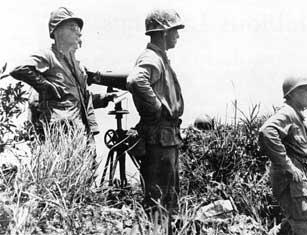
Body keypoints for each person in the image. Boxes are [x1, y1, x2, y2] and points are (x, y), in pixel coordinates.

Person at [126, 8, 185, 217]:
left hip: (166, 139)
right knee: (158, 203)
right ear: (164, 32)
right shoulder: (152, 58)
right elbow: (135, 80)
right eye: (175, 30)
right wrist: (157, 107)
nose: (178, 35)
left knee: (167, 201)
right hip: (160, 140)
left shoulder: (159, 58)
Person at [10, 7, 104, 136]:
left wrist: (103, 101)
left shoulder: (78, 67)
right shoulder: (48, 55)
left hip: (80, 131)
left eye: (79, 29)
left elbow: (81, 97)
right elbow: (19, 69)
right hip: (58, 130)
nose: (79, 33)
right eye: (73, 28)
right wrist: (45, 86)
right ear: (58, 31)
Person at [258, 77, 307, 235]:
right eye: (305, 89)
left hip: (301, 184)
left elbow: (302, 150)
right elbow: (267, 132)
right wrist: (289, 167)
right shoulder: (287, 114)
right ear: (292, 94)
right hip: (293, 186)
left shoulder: (296, 117)